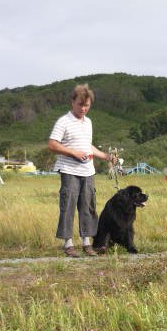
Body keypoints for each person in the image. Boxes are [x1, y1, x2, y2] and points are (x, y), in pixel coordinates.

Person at [48, 84, 114, 257]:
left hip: (88, 171)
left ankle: (87, 243)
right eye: (80, 105)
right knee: (68, 206)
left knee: (88, 207)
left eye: (87, 105)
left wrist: (105, 156)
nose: (84, 108)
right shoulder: (64, 121)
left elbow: (88, 146)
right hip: (69, 170)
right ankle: (68, 244)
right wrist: (73, 153)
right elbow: (52, 144)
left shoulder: (88, 122)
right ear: (72, 102)